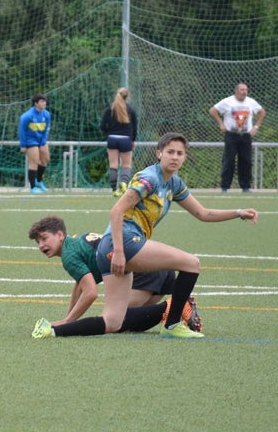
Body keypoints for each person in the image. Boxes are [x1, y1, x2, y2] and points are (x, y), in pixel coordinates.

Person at [31, 133, 258, 341]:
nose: (175, 157)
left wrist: (238, 212)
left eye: (180, 153)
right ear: (159, 153)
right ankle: (172, 323)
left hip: (110, 248)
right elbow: (116, 211)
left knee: (113, 322)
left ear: (185, 157)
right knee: (192, 263)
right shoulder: (149, 178)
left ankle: (52, 331)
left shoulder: (174, 183)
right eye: (170, 152)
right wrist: (119, 251)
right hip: (124, 242)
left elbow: (203, 213)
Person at [27, 215, 201, 337]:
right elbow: (80, 285)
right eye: (38, 242)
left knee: (116, 321)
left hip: (141, 271)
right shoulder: (76, 241)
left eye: (44, 238)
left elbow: (90, 293)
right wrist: (69, 318)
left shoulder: (68, 256)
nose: (41, 245)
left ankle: (173, 307)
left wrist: (67, 322)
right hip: (155, 268)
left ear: (59, 235)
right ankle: (174, 309)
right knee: (131, 319)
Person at [209, 82, 265, 192]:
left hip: (246, 135)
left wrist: (256, 127)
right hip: (231, 135)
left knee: (246, 161)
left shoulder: (251, 102)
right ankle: (225, 187)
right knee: (229, 160)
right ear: (236, 91)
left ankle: (245, 187)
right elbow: (213, 111)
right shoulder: (227, 101)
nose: (244, 92)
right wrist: (221, 124)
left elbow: (262, 112)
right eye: (242, 90)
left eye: (246, 90)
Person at [99, 87, 139, 197]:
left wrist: (109, 133)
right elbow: (135, 127)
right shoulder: (130, 110)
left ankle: (114, 190)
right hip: (126, 139)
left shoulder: (110, 109)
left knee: (113, 165)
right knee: (126, 165)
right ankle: (124, 182)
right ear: (127, 97)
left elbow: (102, 126)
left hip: (112, 139)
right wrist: (133, 140)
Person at [18, 94, 51, 193]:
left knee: (45, 160)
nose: (44, 103)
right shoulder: (27, 116)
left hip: (41, 140)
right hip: (31, 141)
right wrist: (23, 145)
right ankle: (33, 187)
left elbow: (46, 130)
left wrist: (43, 143)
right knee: (34, 163)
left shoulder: (47, 114)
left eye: (45, 101)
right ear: (36, 103)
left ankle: (39, 181)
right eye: (42, 101)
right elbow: (22, 131)